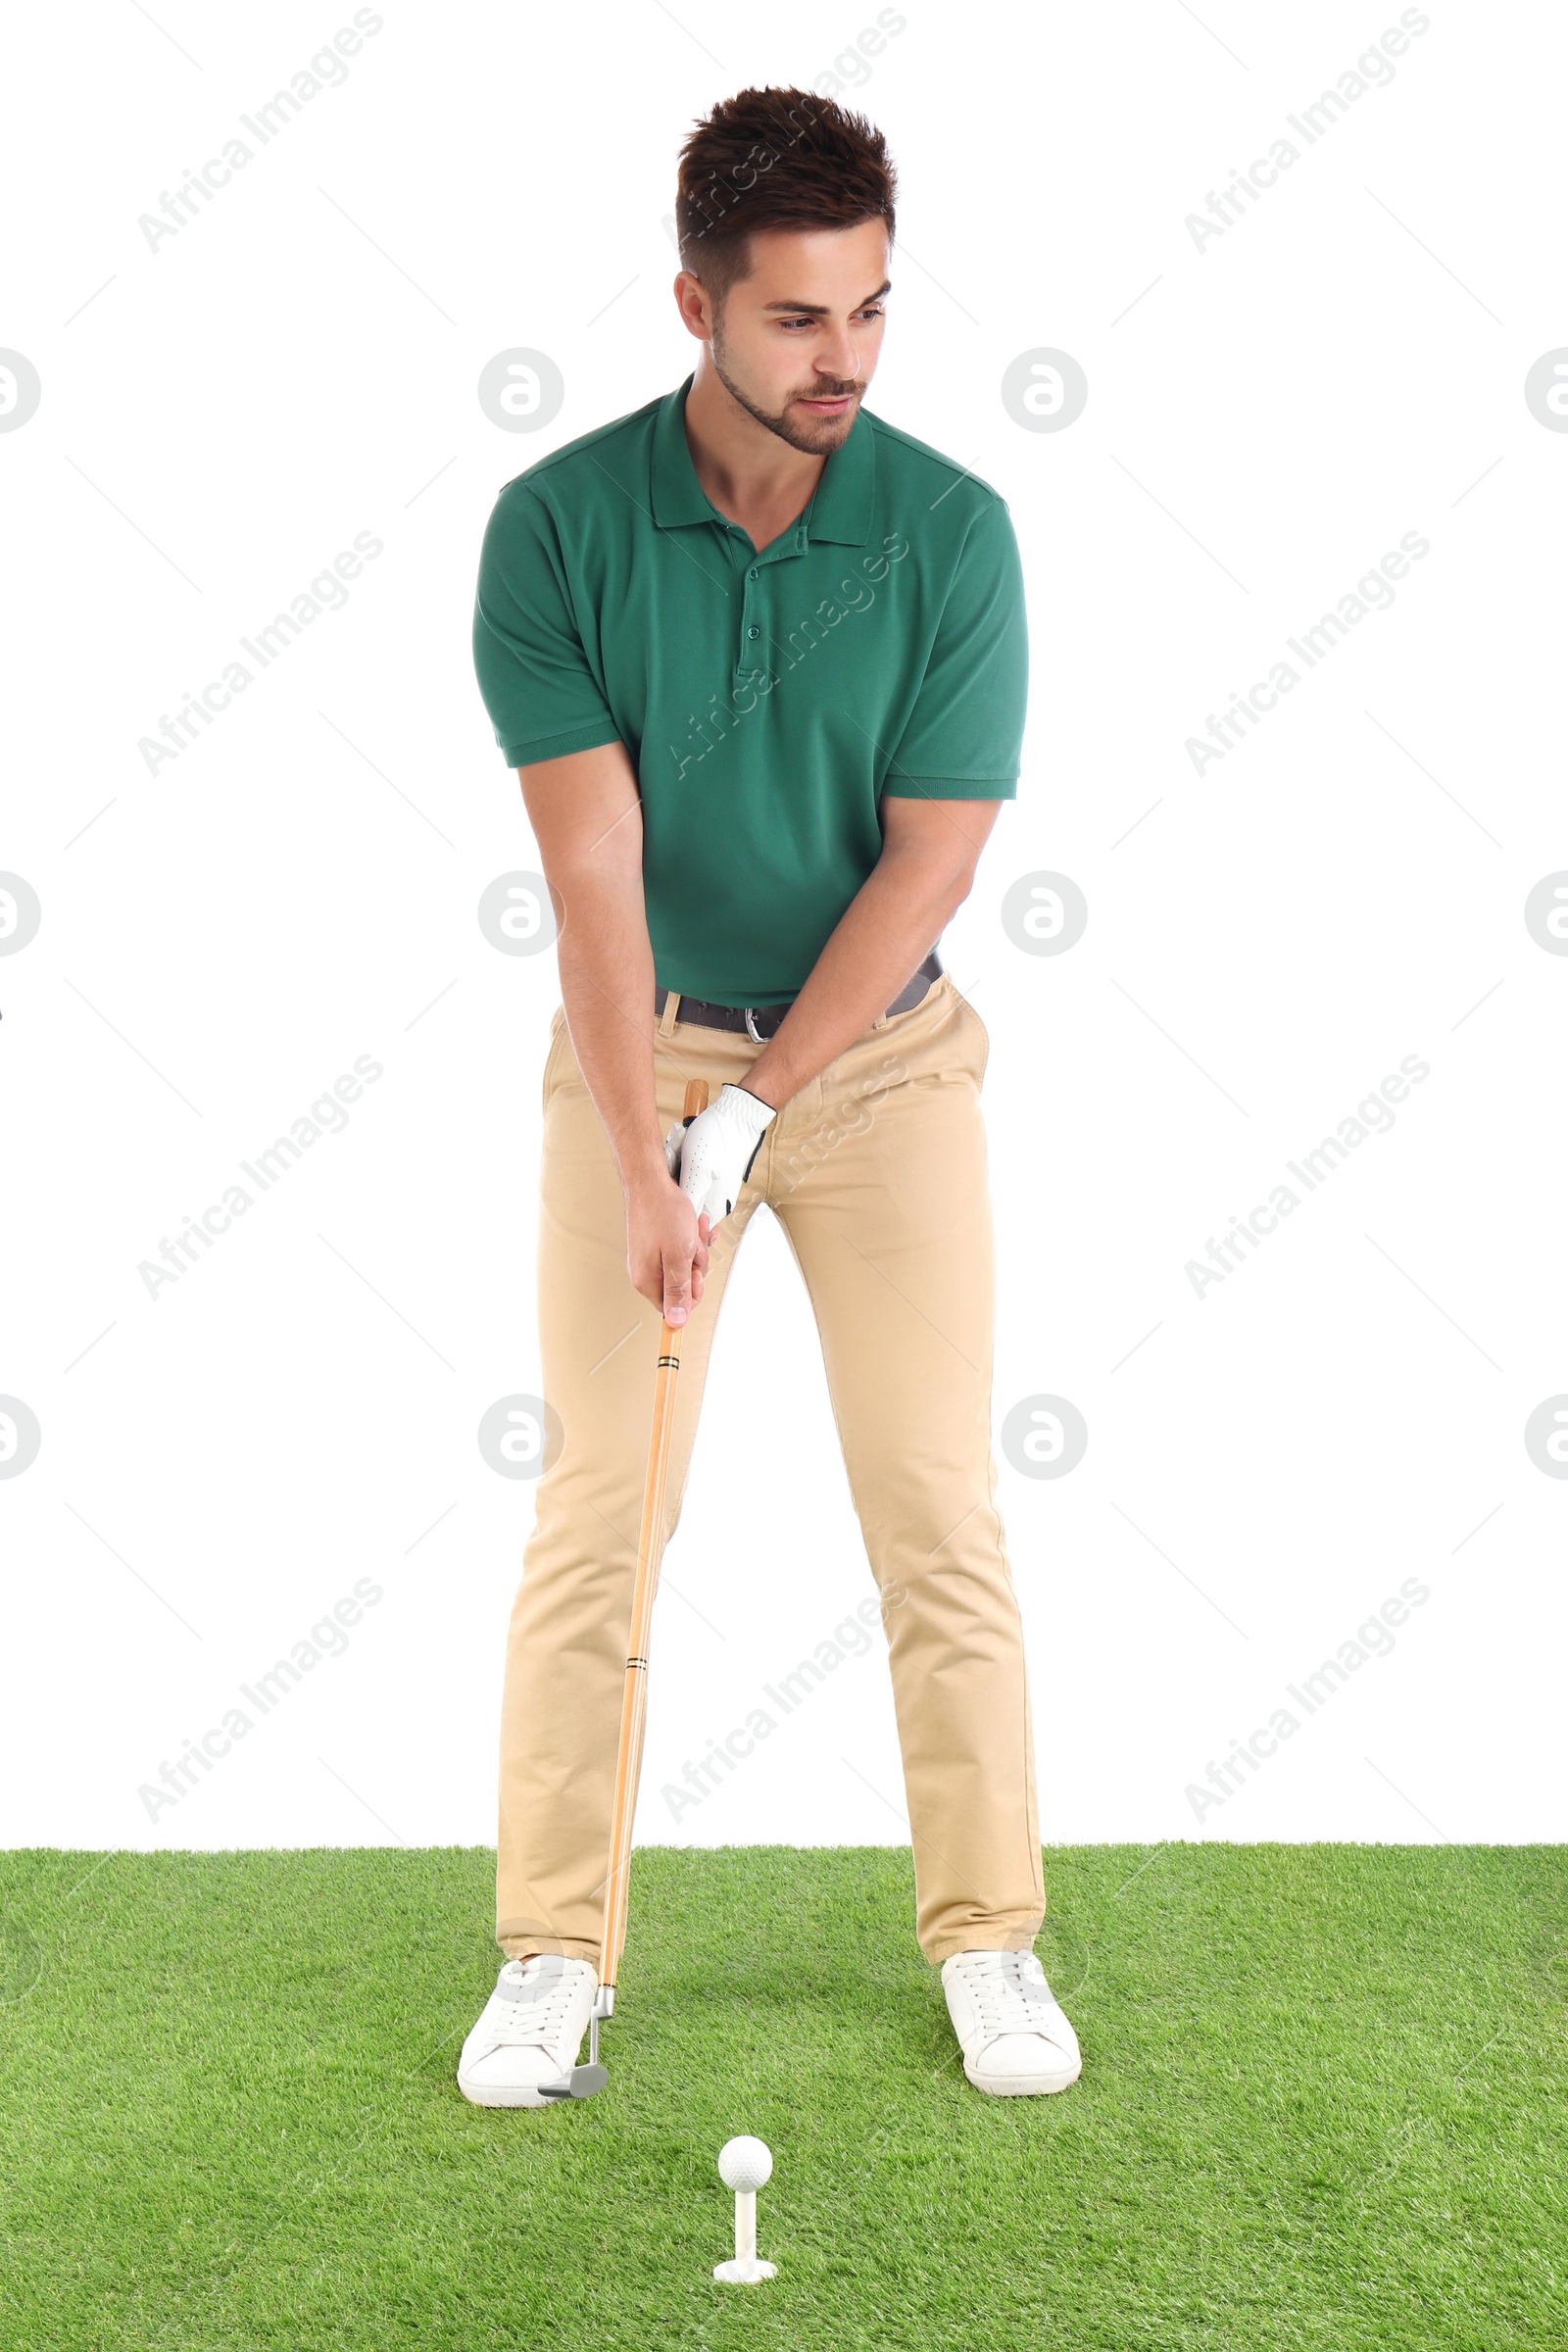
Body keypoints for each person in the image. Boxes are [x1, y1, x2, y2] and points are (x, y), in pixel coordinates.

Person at [459, 84, 1080, 2106]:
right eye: (801, 321)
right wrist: (657, 1128)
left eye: (874, 314)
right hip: (646, 1043)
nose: (846, 363)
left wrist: (754, 1122)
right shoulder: (556, 529)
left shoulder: (950, 531)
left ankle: (987, 1937)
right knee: (598, 1518)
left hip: (884, 1061)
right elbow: (591, 873)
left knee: (931, 1508)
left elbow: (928, 860)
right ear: (693, 305)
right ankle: (554, 1952)